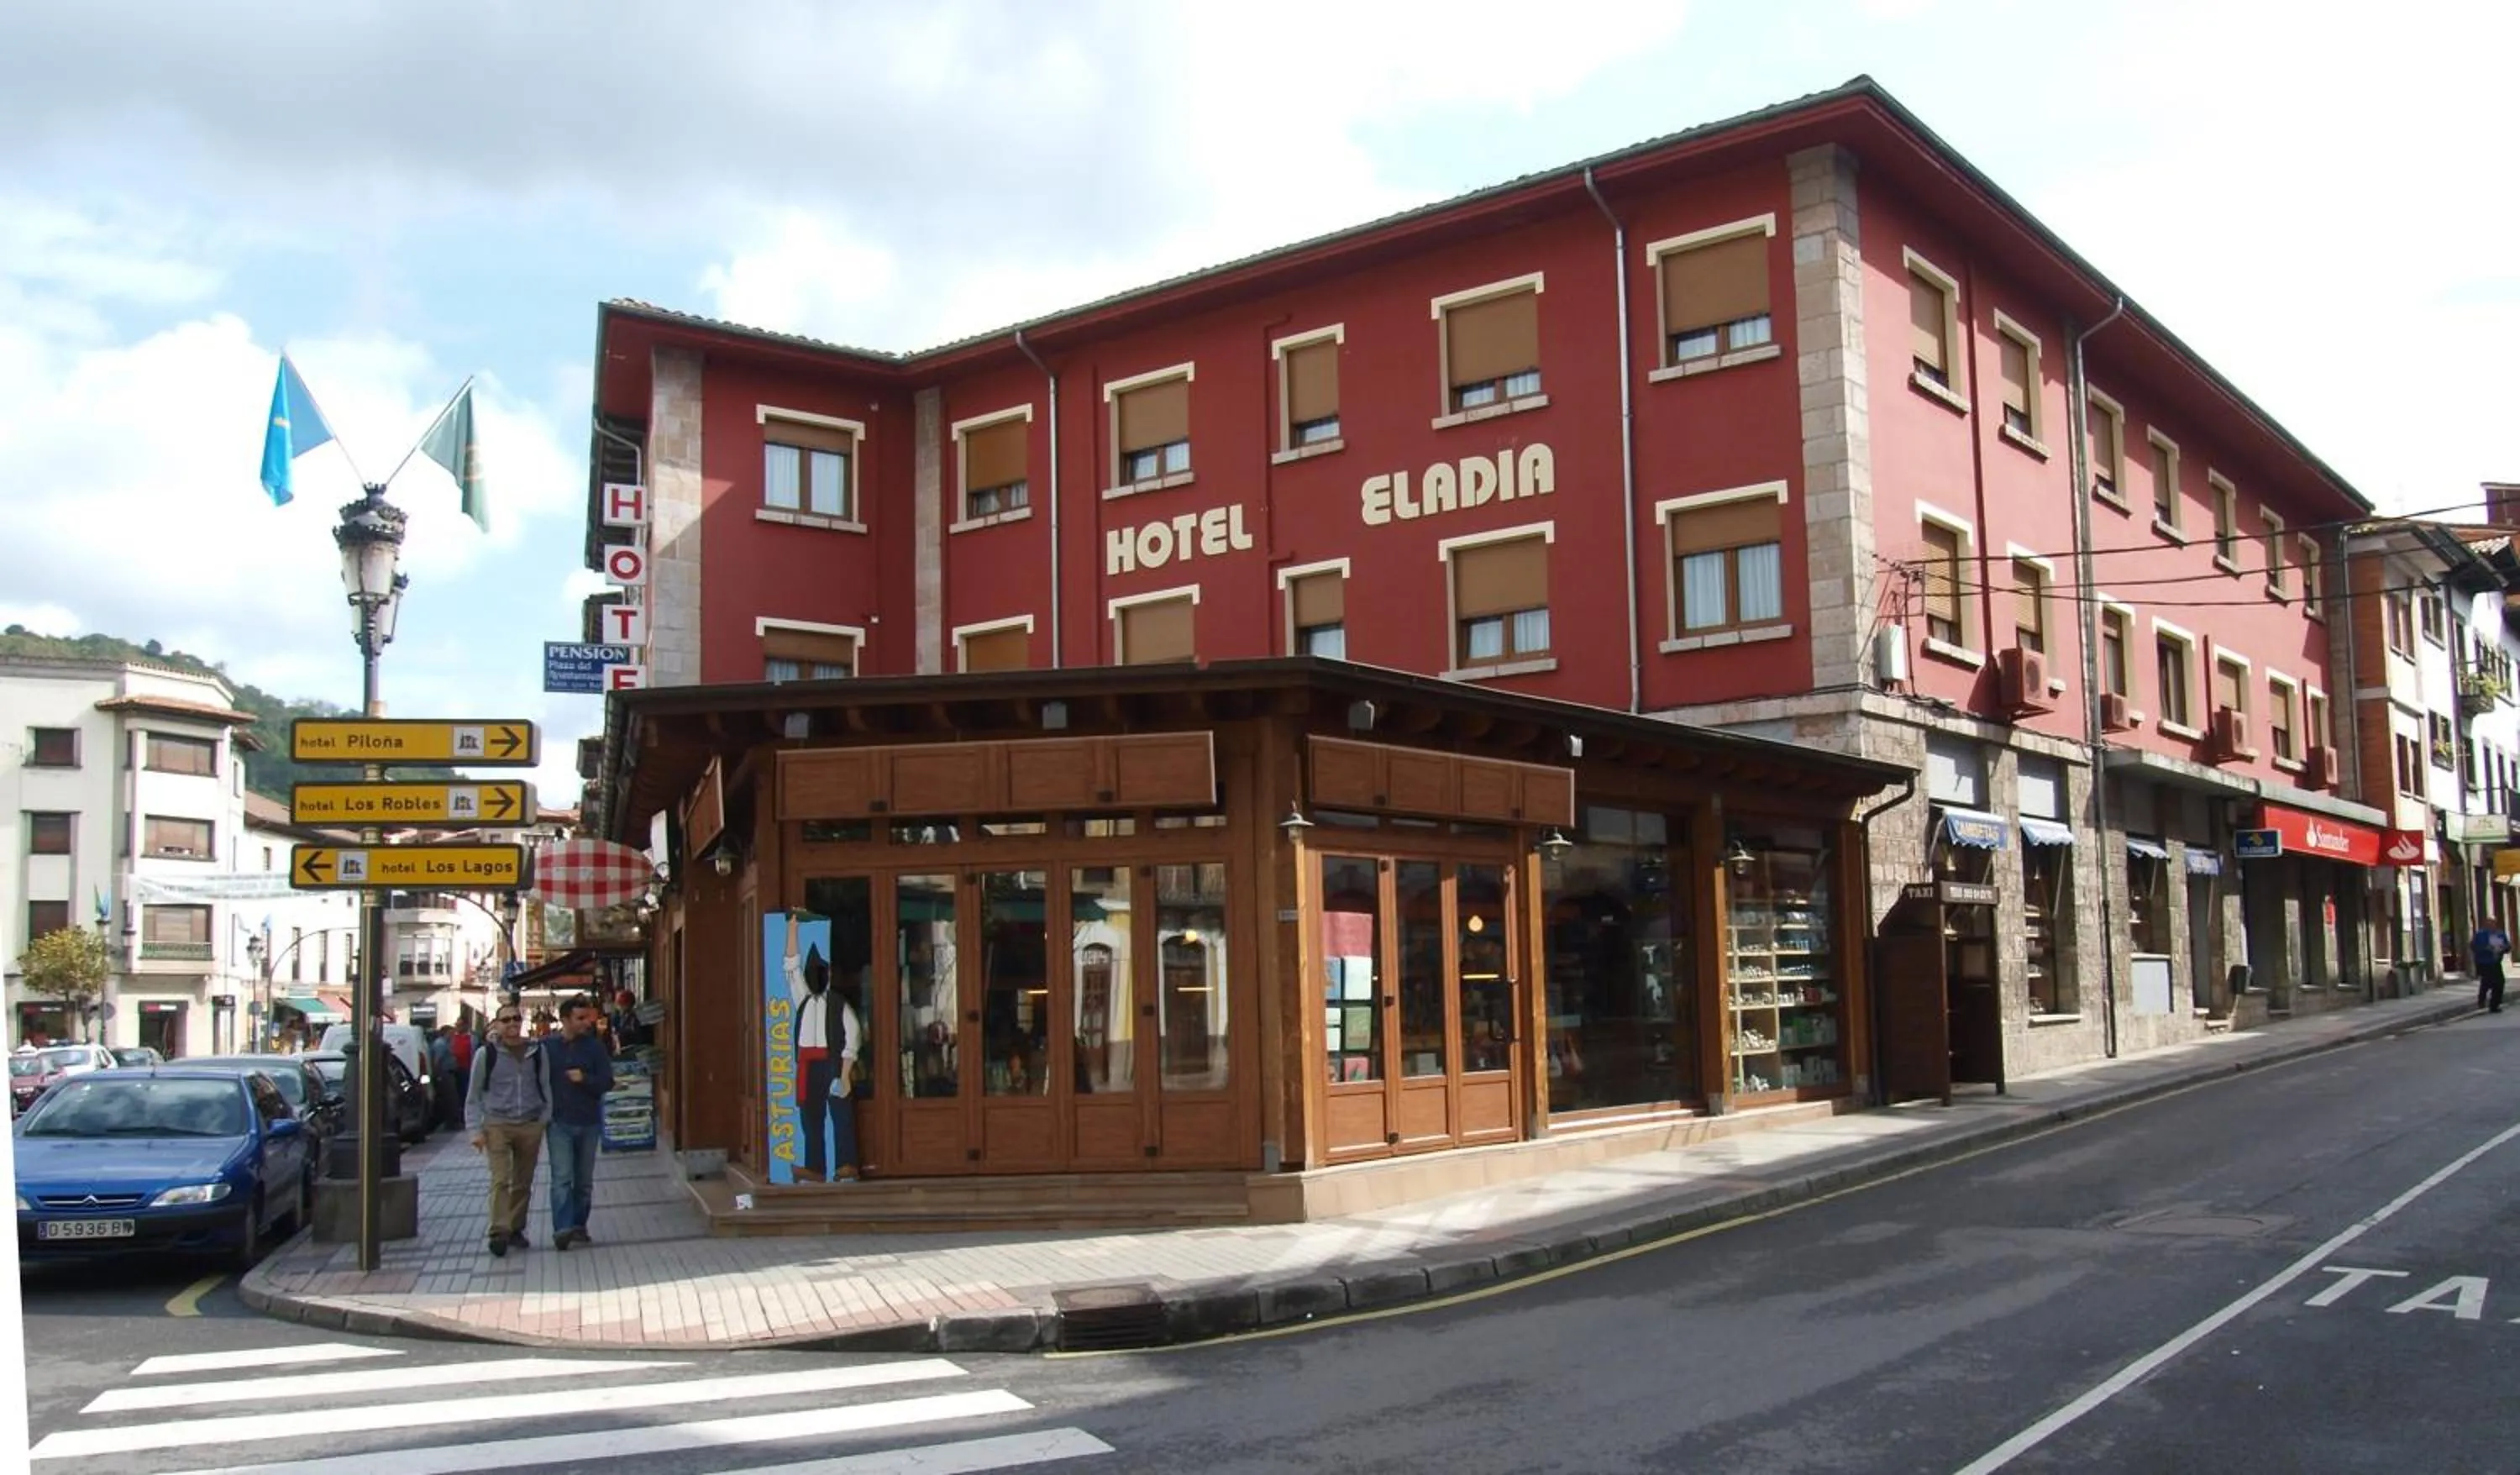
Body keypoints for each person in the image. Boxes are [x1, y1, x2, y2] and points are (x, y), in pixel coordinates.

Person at [465, 1005, 551, 1257]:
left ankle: (516, 1228)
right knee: (501, 1179)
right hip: (497, 1124)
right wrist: (475, 1131)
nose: (512, 1023)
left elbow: (546, 1085)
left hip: (530, 1123)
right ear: (496, 1024)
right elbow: (473, 1095)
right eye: (506, 1020)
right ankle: (499, 1231)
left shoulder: (537, 1051)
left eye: (516, 1018)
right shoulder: (486, 1054)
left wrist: (544, 1119)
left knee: (523, 1182)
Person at [783, 912, 862, 1183]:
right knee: (811, 1117)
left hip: (833, 1062)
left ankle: (846, 1164)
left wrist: (845, 1073)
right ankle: (815, 1168)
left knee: (840, 1113)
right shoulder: (802, 999)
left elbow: (852, 1037)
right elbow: (790, 967)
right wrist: (792, 930)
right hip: (807, 1063)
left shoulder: (839, 1005)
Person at [541, 993, 615, 1249]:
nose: (586, 1023)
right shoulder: (547, 1048)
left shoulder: (594, 1048)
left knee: (583, 1181)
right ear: (565, 1020)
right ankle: (562, 1228)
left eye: (587, 1018)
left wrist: (585, 1079)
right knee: (562, 1177)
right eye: (580, 1018)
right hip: (559, 1122)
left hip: (588, 1121)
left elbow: (607, 1081)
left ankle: (579, 1224)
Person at [2472, 920, 2511, 1014]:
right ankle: (2482, 999)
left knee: (2499, 983)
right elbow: (2473, 946)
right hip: (2484, 962)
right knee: (2487, 982)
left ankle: (2494, 1005)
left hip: (2496, 962)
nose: (2492, 925)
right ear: (2486, 924)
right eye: (2489, 923)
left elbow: (2508, 947)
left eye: (2493, 923)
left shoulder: (2500, 934)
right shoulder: (2480, 935)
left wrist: (2504, 948)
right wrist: (2486, 949)